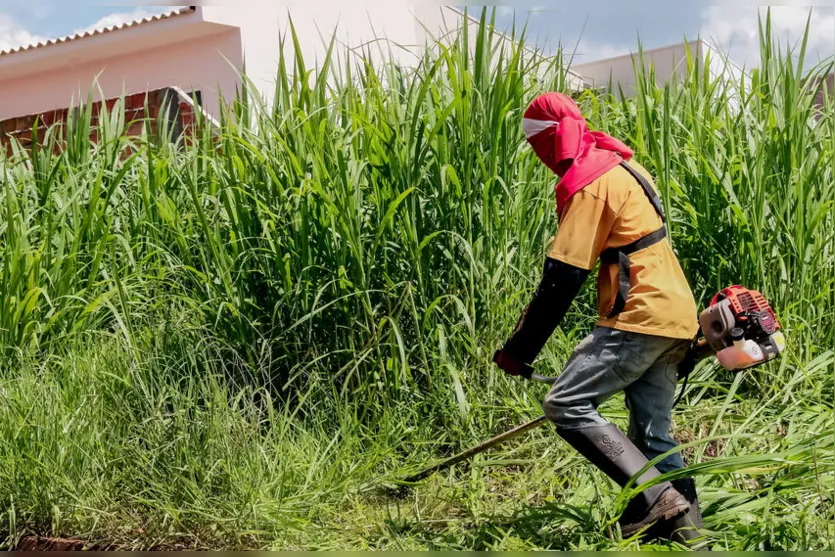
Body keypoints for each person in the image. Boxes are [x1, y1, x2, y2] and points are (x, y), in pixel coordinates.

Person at [492, 92, 707, 547]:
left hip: (639, 316)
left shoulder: (592, 181)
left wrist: (519, 351)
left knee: (565, 403)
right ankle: (693, 541)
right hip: (677, 315)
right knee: (653, 433)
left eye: (539, 146)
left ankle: (653, 498)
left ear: (551, 140)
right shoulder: (625, 166)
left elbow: (563, 276)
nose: (541, 157)